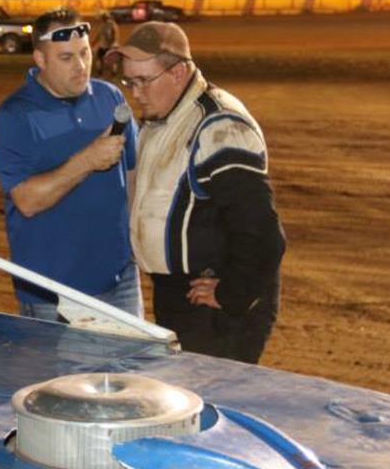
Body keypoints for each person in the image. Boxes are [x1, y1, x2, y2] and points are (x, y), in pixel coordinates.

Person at [112, 21, 285, 364]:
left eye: (144, 81)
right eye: (130, 81)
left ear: (178, 72)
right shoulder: (164, 117)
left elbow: (264, 233)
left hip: (211, 306)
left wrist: (233, 293)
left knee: (207, 403)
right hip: (181, 297)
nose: (136, 92)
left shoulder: (220, 128)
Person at [0, 7, 142, 321]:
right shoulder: (14, 117)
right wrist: (87, 160)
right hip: (52, 292)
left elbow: (133, 174)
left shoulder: (110, 98)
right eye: (66, 58)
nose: (81, 66)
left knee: (130, 370)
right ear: (41, 60)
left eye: (84, 53)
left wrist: (135, 242)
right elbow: (27, 201)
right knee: (65, 373)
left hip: (120, 279)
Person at [91, 11, 121, 78]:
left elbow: (114, 35)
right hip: (107, 46)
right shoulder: (110, 25)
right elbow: (100, 35)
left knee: (101, 58)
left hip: (107, 46)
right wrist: (94, 42)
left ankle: (103, 72)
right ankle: (112, 72)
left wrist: (114, 43)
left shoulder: (108, 25)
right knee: (105, 59)